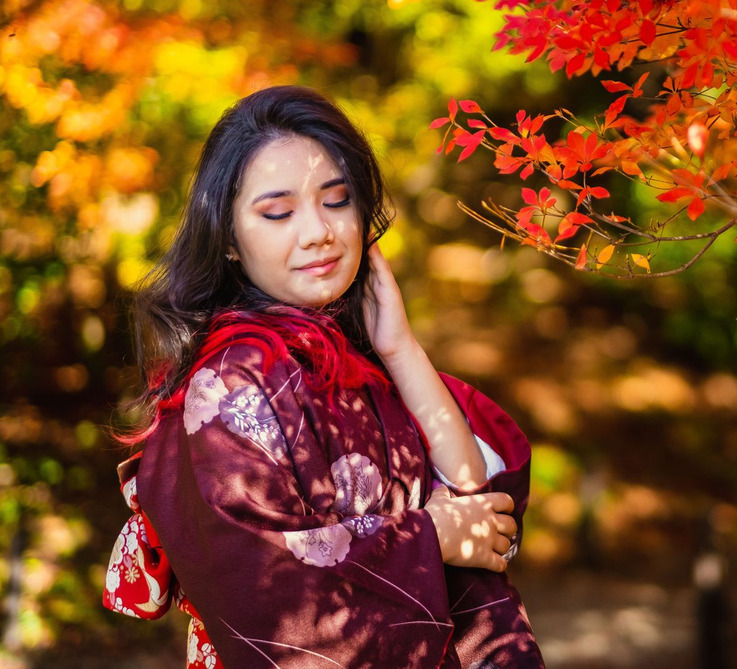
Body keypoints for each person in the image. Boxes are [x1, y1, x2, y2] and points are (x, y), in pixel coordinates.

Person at [103, 86, 545, 668]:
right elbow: (265, 581)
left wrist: (401, 348)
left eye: (337, 201)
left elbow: (479, 506)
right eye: (278, 212)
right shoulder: (230, 384)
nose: (318, 232)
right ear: (229, 240)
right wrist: (428, 539)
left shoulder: (364, 359)